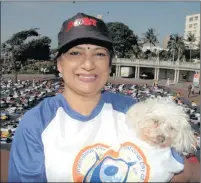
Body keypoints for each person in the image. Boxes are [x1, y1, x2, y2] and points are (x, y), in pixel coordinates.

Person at [8, 13, 200, 182]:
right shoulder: (37, 123)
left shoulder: (138, 112)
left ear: (109, 66)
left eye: (99, 54)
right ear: (59, 64)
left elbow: (178, 166)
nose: (88, 64)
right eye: (75, 53)